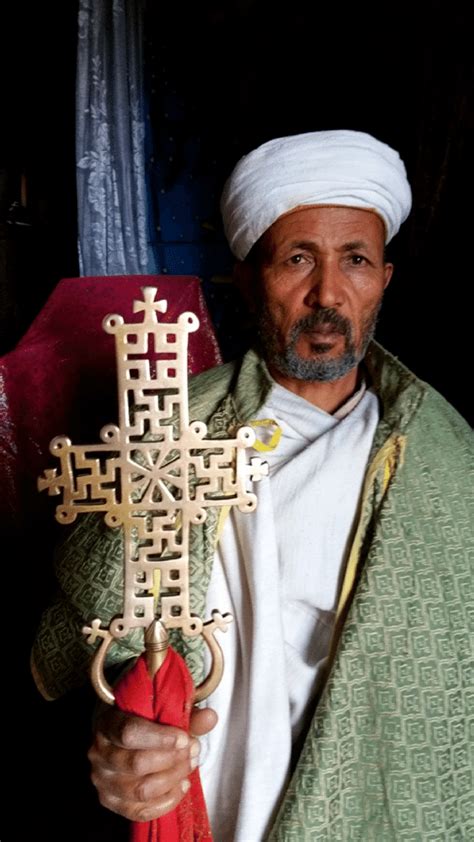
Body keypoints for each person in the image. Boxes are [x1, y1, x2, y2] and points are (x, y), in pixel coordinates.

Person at [32, 130, 473, 840]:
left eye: (355, 260)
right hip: (216, 802)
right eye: (297, 259)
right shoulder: (172, 434)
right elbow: (93, 643)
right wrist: (124, 732)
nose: (328, 293)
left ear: (384, 279)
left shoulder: (447, 457)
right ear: (245, 278)